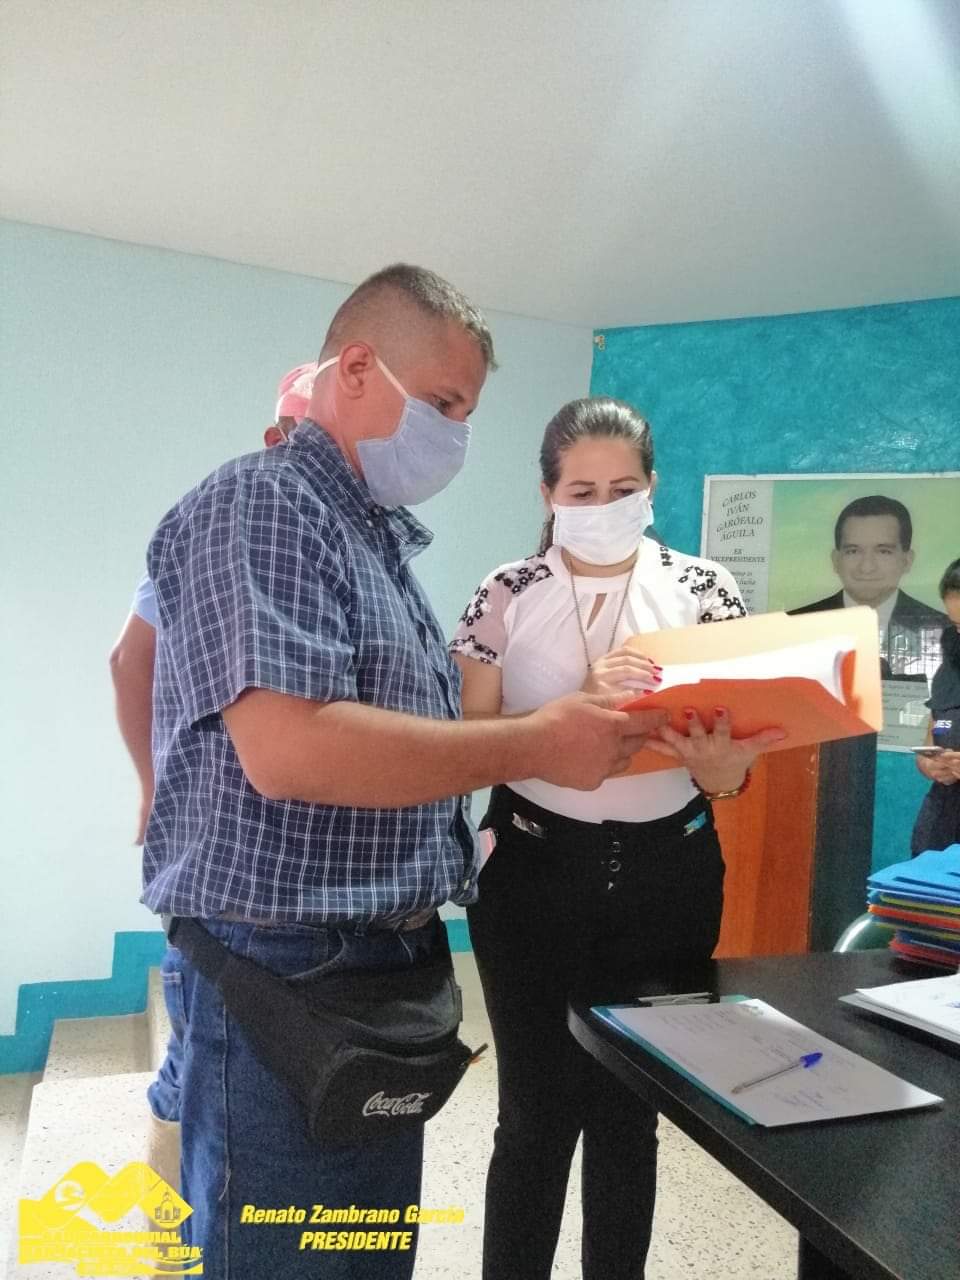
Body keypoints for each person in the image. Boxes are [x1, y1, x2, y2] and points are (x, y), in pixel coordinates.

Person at [141, 267, 668, 1280]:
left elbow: (401, 741)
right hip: (285, 972)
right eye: (443, 404)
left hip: (375, 973)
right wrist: (536, 740)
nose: (455, 436)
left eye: (467, 414)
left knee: (362, 1253)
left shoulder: (368, 539)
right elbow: (292, 749)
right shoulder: (264, 503)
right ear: (354, 369)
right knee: (286, 1257)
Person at [450, 396, 785, 1280]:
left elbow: (733, 762)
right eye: (583, 491)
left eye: (624, 489)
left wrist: (723, 769)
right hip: (531, 872)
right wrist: (572, 709)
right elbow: (465, 741)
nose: (604, 506)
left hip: (669, 878)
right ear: (548, 494)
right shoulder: (505, 591)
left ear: (652, 488)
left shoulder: (705, 588)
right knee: (533, 1115)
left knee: (630, 1112)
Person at [108, 362, 316, 1189]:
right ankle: (178, 1216)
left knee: (218, 1040)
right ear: (274, 438)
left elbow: (126, 660)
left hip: (270, 860)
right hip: (221, 853)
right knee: (204, 1036)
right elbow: (129, 661)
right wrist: (151, 787)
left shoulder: (325, 547)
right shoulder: (224, 536)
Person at [790, 495, 948, 679]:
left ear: (907, 561)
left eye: (883, 551)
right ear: (836, 560)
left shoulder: (948, 632)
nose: (867, 567)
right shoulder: (793, 627)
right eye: (853, 551)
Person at [910, 558, 960, 855]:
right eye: (958, 625)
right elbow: (931, 740)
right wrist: (929, 764)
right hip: (941, 826)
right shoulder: (950, 670)